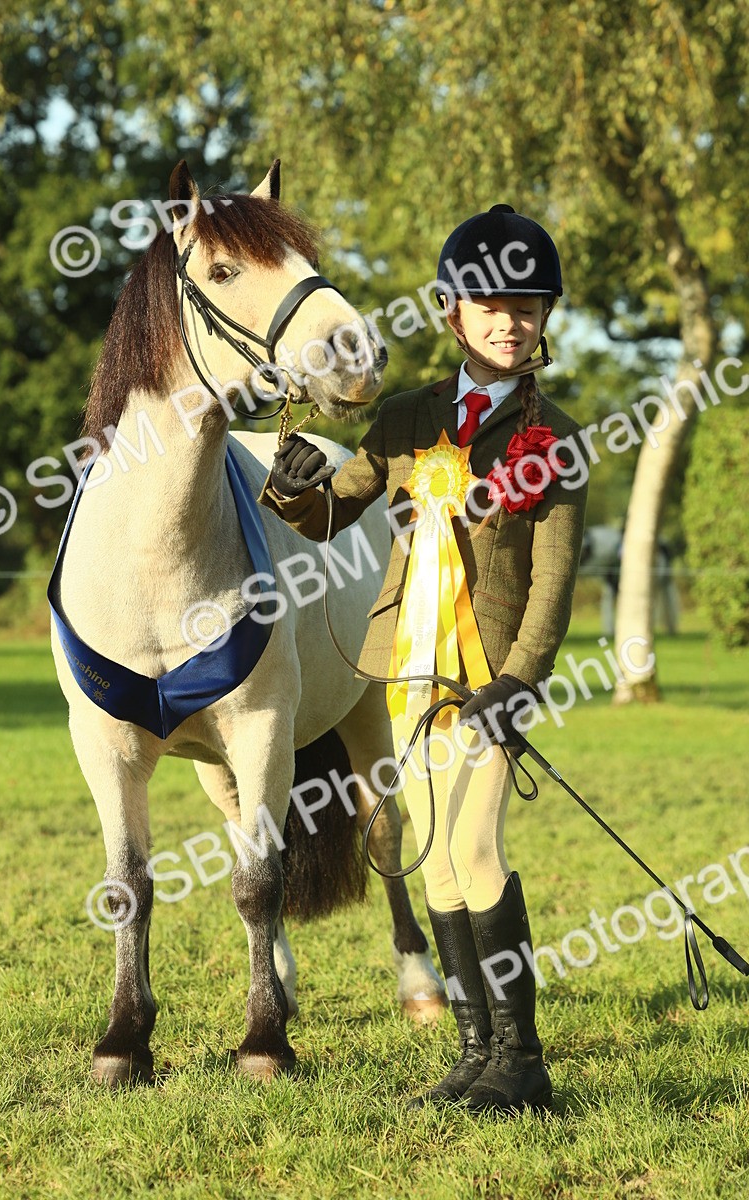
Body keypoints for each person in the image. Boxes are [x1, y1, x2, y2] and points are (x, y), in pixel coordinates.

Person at [259, 204, 588, 1115]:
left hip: (490, 677)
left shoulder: (554, 439)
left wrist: (520, 681)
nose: (510, 322)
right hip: (409, 666)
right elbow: (332, 512)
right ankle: (476, 1054)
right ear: (453, 313)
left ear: (544, 318)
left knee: (476, 850)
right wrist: (292, 489)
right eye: (492, 306)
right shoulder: (405, 419)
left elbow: (554, 584)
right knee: (436, 859)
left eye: (527, 307)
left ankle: (523, 1060)